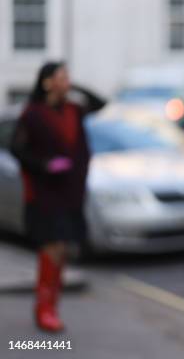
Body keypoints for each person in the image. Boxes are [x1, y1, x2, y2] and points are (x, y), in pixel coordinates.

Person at [9, 62, 106, 332]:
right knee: (51, 248)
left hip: (69, 192)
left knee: (61, 250)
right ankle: (45, 308)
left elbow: (101, 103)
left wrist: (72, 86)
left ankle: (51, 304)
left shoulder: (74, 108)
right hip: (45, 193)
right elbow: (18, 149)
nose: (67, 81)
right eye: (62, 77)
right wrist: (44, 165)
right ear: (46, 82)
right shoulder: (32, 114)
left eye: (68, 77)